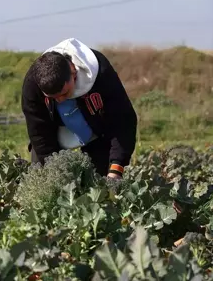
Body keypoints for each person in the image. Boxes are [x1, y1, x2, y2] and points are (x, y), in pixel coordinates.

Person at [21, 37, 137, 179]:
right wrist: (54, 173)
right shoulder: (32, 84)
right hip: (55, 130)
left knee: (100, 184)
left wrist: (116, 167)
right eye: (53, 98)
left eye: (64, 93)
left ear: (73, 72)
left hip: (96, 130)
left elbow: (123, 120)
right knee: (44, 178)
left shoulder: (101, 72)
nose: (60, 100)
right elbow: (39, 132)